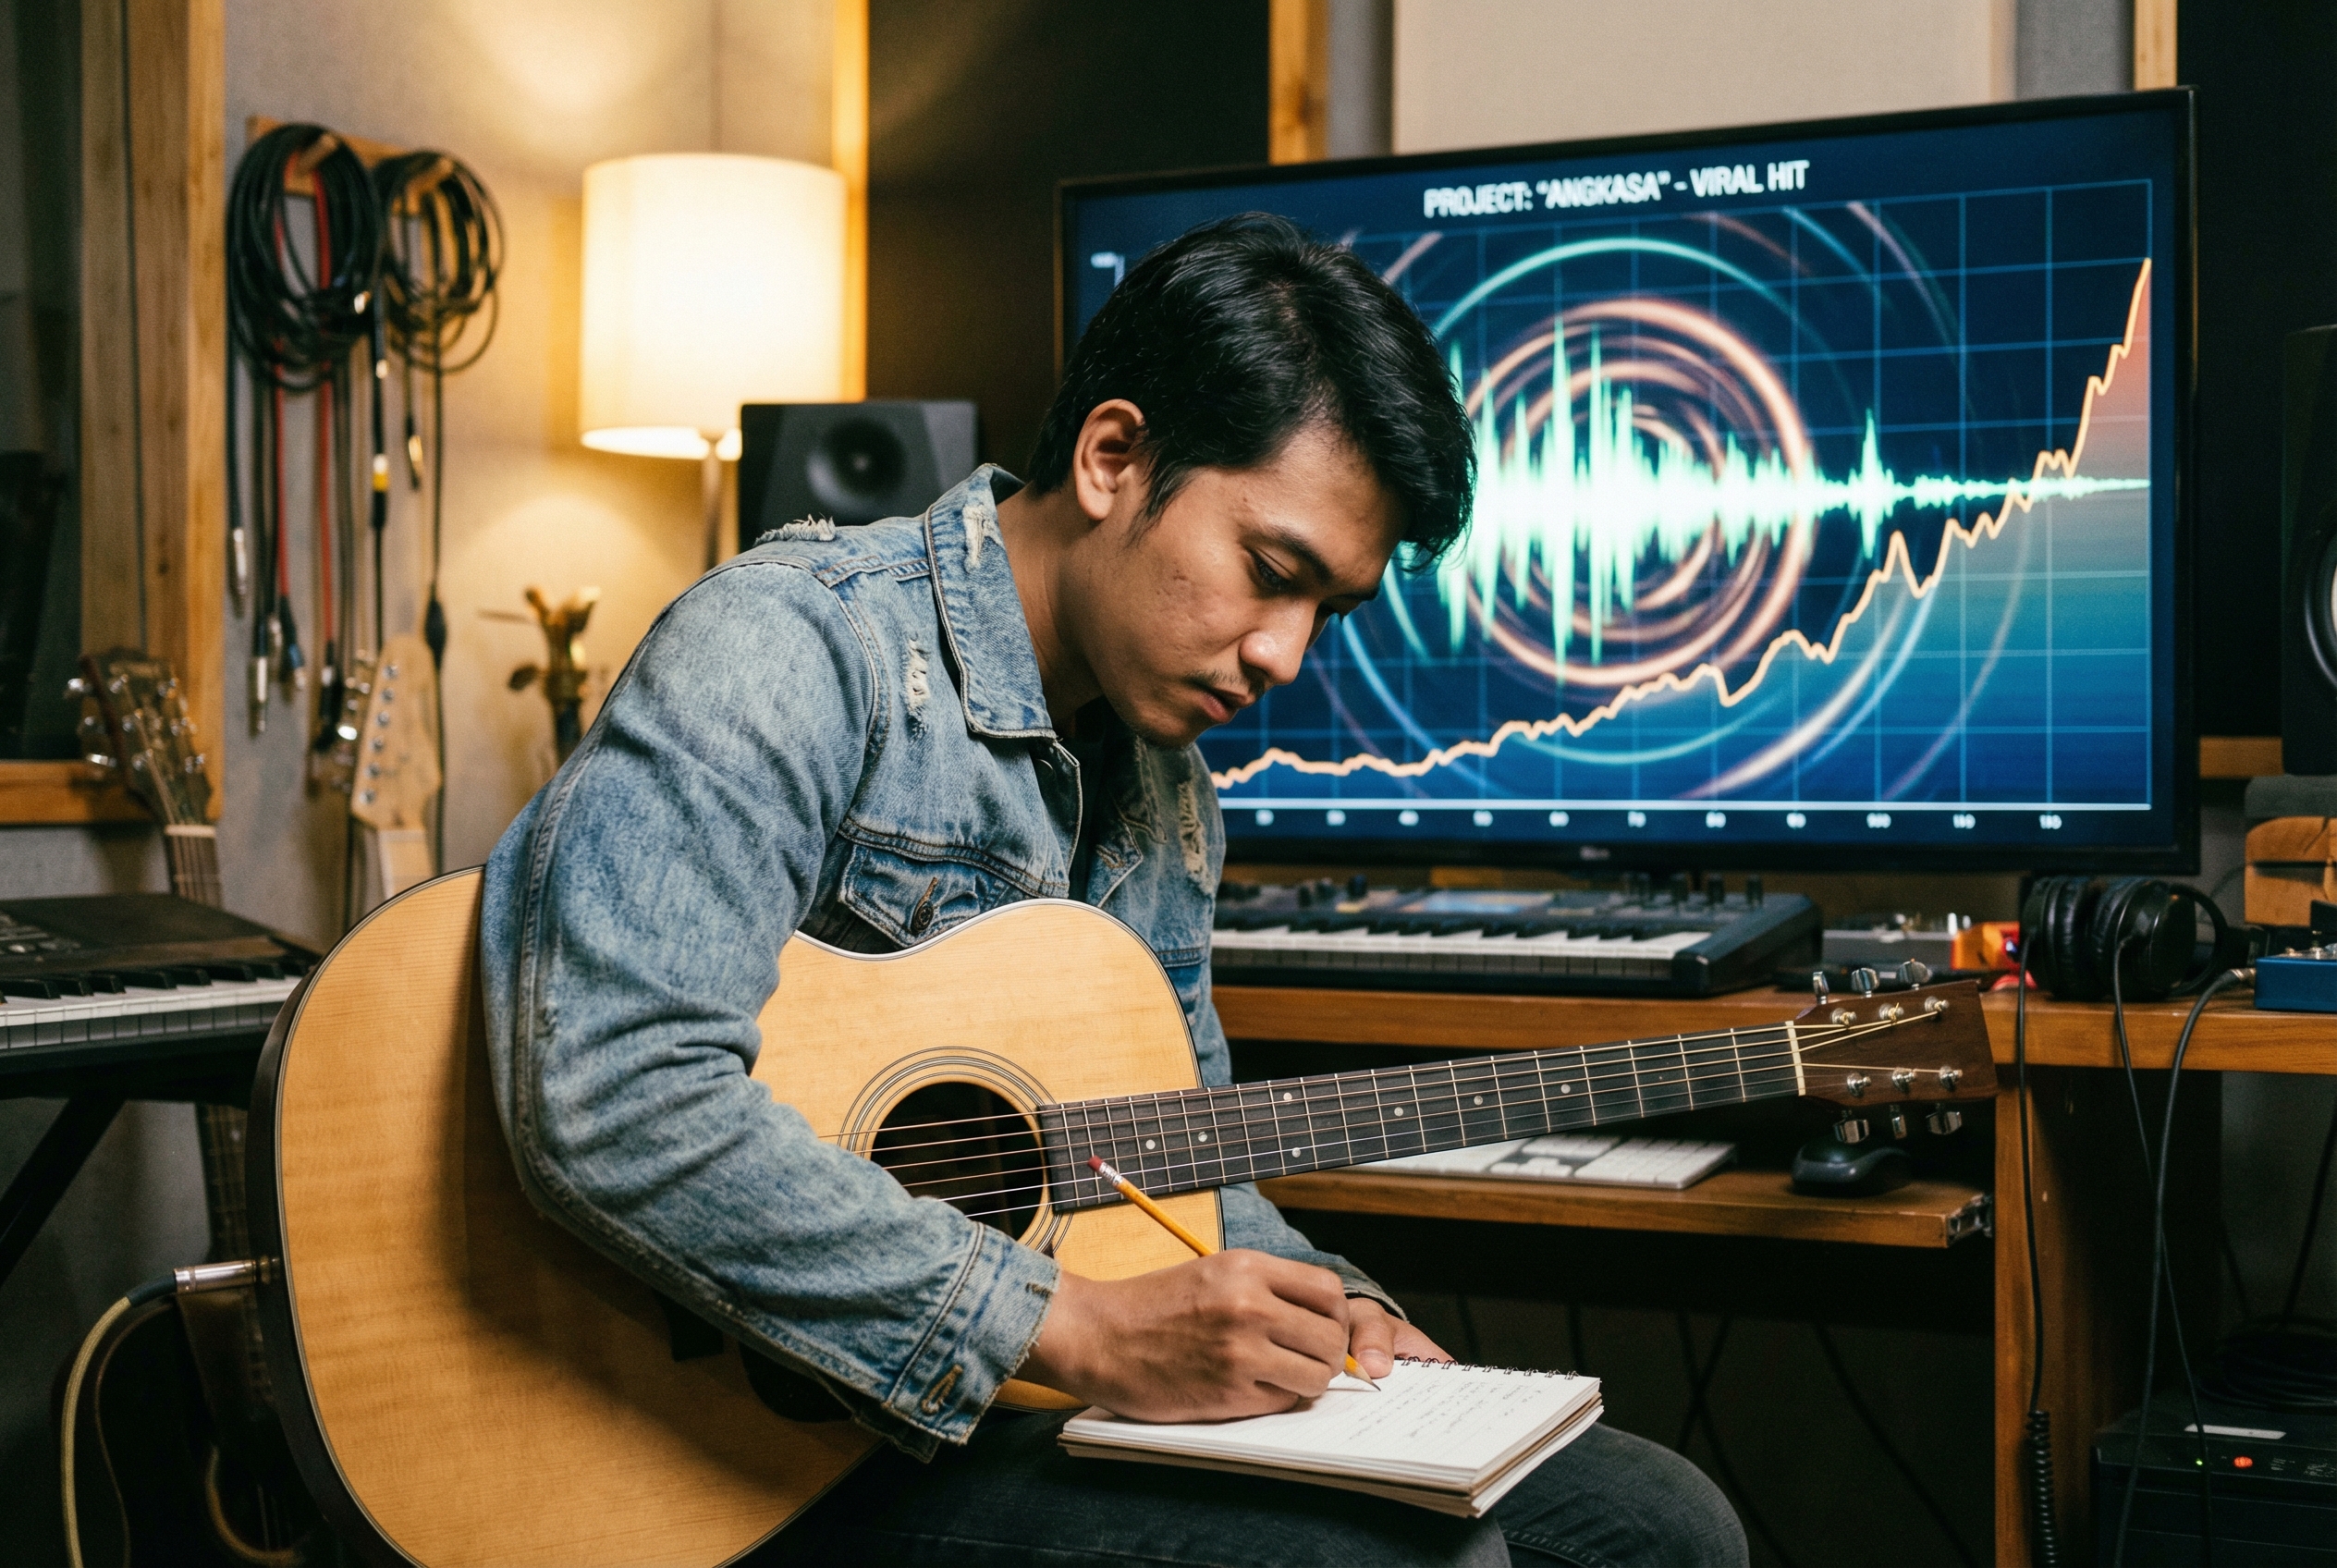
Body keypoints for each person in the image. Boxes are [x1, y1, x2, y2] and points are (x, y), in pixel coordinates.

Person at [480, 214, 1746, 1567]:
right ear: (1112, 456)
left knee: (1663, 1529)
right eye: (1273, 573)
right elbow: (613, 1094)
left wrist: (1343, 1312)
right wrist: (1068, 1325)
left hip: (994, 1398)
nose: (1284, 656)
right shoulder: (794, 649)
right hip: (727, 1433)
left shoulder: (1170, 798)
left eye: (1332, 612)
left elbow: (1166, 1170)